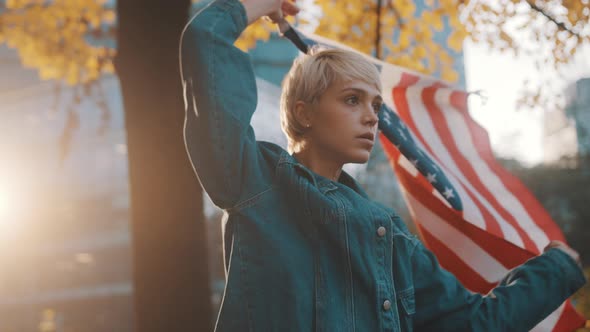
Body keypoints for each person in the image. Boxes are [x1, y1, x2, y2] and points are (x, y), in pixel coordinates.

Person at [179, 0, 587, 330]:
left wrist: (556, 268)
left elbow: (473, 323)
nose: (373, 118)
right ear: (303, 113)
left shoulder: (389, 233)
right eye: (352, 100)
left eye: (376, 105)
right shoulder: (254, 181)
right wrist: (257, 5)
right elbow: (205, 40)